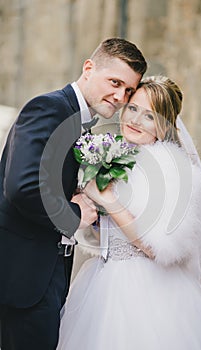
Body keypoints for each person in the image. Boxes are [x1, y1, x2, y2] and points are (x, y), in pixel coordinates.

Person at [57, 76, 201, 349]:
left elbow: (157, 246)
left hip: (148, 289)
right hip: (103, 280)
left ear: (163, 126)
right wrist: (91, 210)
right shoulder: (120, 160)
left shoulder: (175, 172)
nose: (136, 120)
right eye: (133, 109)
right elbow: (110, 233)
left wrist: (107, 199)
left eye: (149, 116)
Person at [0, 38, 147, 350]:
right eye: (115, 82)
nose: (120, 97)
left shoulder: (81, 123)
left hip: (51, 269)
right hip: (24, 274)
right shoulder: (49, 108)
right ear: (89, 68)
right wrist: (76, 212)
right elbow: (21, 187)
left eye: (129, 91)